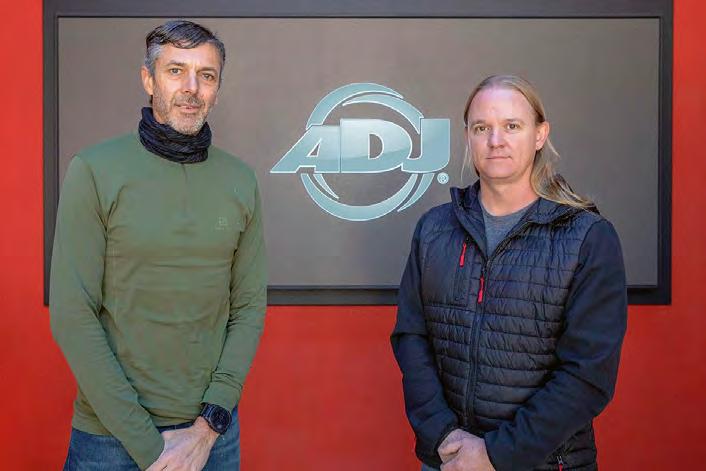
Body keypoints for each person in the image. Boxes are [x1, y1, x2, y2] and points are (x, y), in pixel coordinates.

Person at [50, 20, 266, 470]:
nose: (192, 88)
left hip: (211, 439)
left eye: (206, 75)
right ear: (148, 79)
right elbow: (72, 315)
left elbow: (248, 308)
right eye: (176, 71)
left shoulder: (240, 181)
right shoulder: (93, 170)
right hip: (109, 441)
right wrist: (153, 450)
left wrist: (208, 428)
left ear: (217, 89)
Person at [391, 75, 627, 471]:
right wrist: (443, 436)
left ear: (540, 135)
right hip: (450, 460)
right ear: (468, 137)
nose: (495, 140)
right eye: (481, 128)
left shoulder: (587, 237)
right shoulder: (434, 229)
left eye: (512, 126)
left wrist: (495, 454)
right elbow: (411, 338)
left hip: (544, 463)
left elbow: (588, 375)